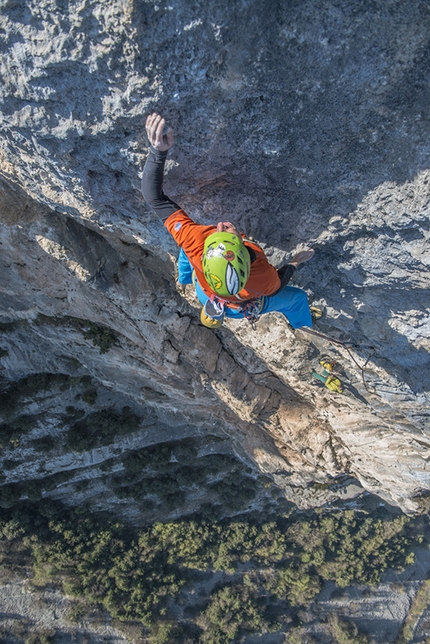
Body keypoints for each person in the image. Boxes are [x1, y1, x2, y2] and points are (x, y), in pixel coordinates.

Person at [142, 112, 315, 329]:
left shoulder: (197, 243)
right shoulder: (263, 278)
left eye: (218, 233)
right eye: (229, 234)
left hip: (208, 298)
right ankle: (303, 327)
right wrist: (297, 259)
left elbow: (154, 198)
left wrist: (157, 151)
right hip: (236, 304)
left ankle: (185, 278)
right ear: (243, 253)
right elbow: (281, 282)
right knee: (297, 299)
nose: (220, 225)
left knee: (187, 247)